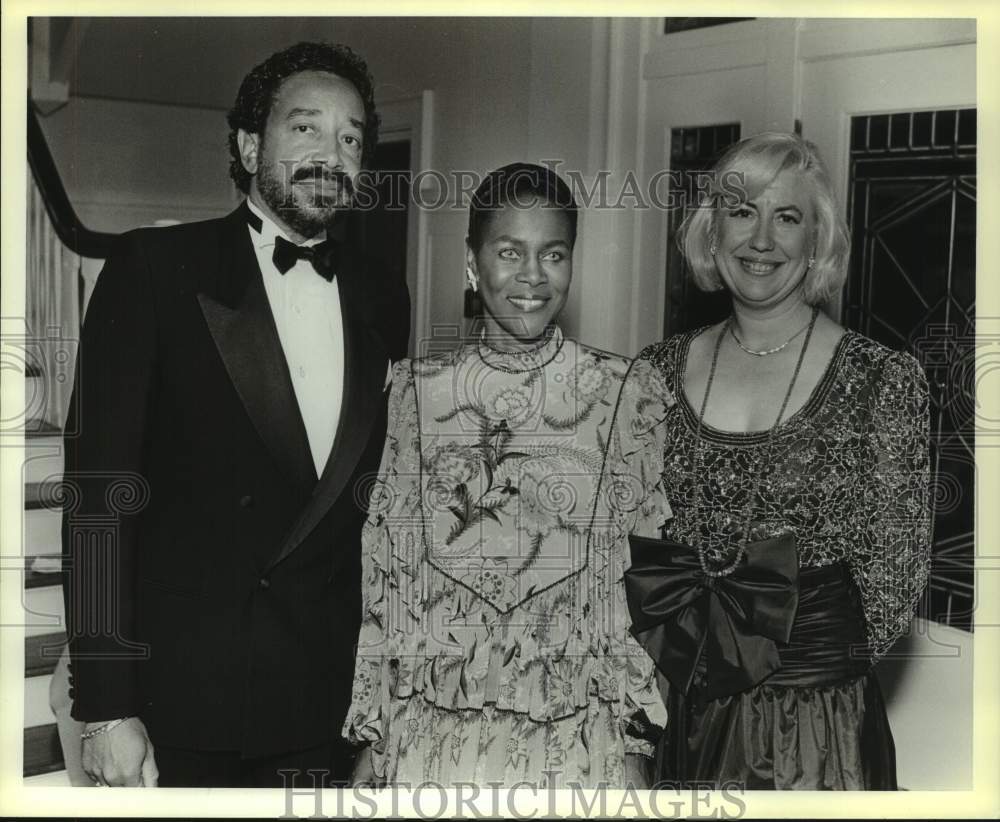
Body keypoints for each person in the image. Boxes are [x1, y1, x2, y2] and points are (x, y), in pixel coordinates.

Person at [60, 41, 410, 788]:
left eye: (351, 138)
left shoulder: (383, 294)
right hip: (185, 704)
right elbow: (97, 500)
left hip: (326, 705)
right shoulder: (151, 272)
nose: (332, 153)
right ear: (251, 146)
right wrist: (105, 708)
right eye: (306, 128)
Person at [611, 133, 931, 790]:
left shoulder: (882, 381)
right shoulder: (654, 373)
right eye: (741, 211)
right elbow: (622, 549)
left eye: (787, 217)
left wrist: (788, 683)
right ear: (712, 228)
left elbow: (892, 590)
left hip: (815, 733)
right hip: (680, 719)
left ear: (817, 239)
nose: (761, 239)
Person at [343, 163, 665, 788]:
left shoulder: (626, 395)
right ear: (472, 263)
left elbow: (645, 588)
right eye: (509, 252)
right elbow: (387, 574)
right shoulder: (412, 392)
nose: (532, 277)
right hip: (431, 739)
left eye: (554, 254)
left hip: (578, 741)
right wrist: (374, 736)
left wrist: (634, 742)